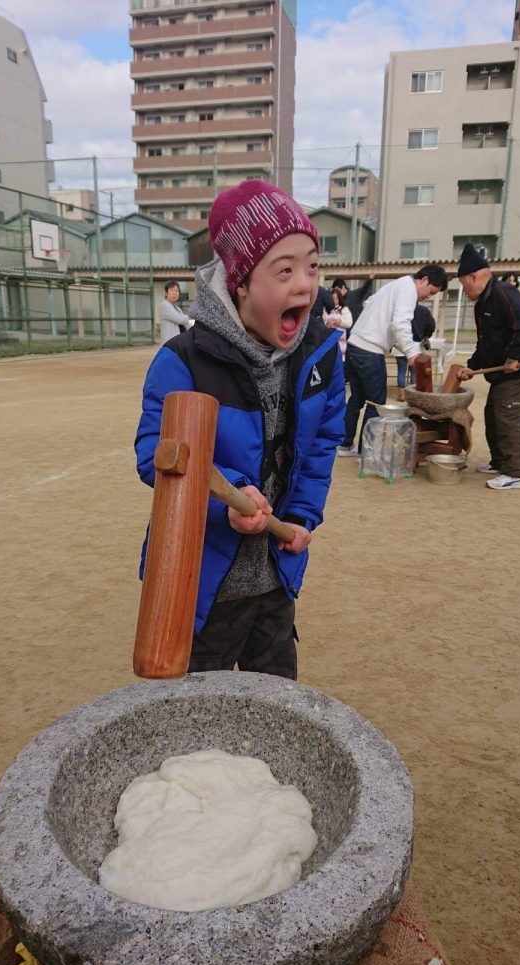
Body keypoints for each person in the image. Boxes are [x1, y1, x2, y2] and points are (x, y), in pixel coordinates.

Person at [135, 180, 345, 679]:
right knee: (193, 714)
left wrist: (302, 517)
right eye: (285, 270)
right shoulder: (184, 361)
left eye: (312, 267)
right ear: (241, 284)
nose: (305, 285)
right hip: (200, 578)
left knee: (275, 704)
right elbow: (157, 455)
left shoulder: (320, 356)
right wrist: (229, 496)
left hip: (275, 574)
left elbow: (321, 446)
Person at [338, 265, 448, 456]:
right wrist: (413, 354)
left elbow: (371, 305)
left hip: (355, 346)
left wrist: (400, 347)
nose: (427, 297)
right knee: (376, 403)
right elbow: (400, 324)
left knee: (356, 399)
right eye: (431, 292)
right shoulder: (408, 289)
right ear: (423, 280)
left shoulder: (394, 285)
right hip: (369, 352)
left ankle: (346, 445)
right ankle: (367, 452)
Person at [456, 243, 520, 490]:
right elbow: (486, 342)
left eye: (463, 283)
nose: (463, 289)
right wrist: (472, 366)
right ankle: (500, 461)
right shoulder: (483, 303)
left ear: (474, 276)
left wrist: (514, 357)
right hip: (499, 375)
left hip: (518, 372)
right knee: (493, 416)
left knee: (508, 419)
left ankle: (515, 472)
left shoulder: (504, 294)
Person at [395, 303, 437, 400]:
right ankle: (413, 393)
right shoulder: (424, 310)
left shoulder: (402, 308)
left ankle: (401, 394)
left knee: (401, 370)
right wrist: (426, 335)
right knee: (415, 371)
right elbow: (431, 326)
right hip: (417, 345)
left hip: (400, 342)